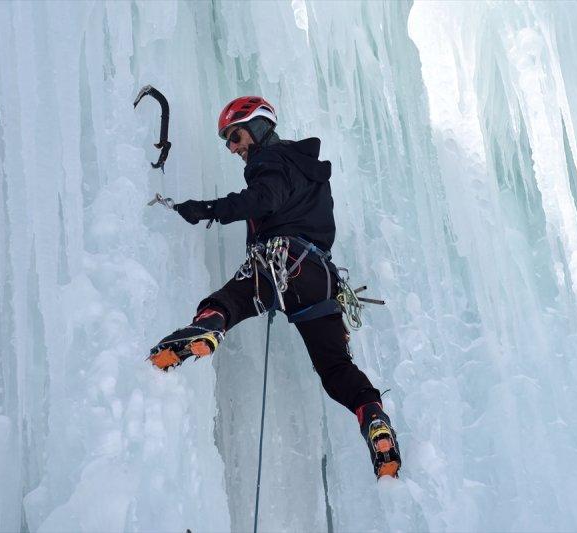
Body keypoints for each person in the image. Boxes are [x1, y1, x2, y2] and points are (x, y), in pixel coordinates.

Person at [148, 96, 401, 479]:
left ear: (260, 126)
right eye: (228, 143)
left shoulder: (270, 160)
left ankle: (208, 327)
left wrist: (207, 209)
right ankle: (374, 418)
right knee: (336, 368)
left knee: (228, 300)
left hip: (281, 261)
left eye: (235, 136)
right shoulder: (309, 170)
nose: (233, 148)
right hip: (320, 279)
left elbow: (264, 199)